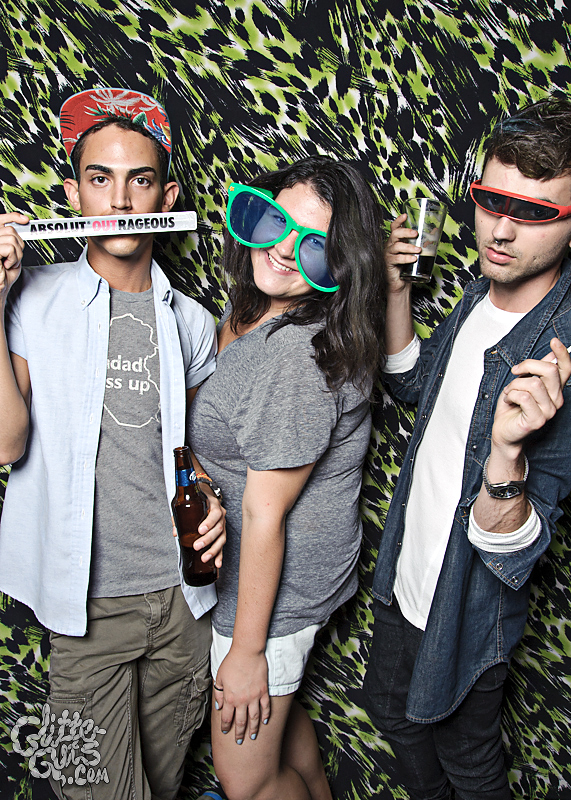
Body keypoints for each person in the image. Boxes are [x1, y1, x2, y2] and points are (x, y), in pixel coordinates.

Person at [0, 87, 226, 800]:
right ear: (73, 194)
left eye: (140, 180)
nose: (121, 199)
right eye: (100, 179)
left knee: (160, 786)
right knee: (83, 786)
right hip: (85, 616)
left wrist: (212, 499)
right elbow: (5, 443)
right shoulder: (29, 299)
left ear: (167, 195)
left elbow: (193, 454)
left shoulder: (193, 321)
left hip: (184, 607)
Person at [363, 96, 571, 800]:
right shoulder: (481, 294)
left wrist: (507, 454)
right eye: (491, 201)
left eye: (534, 212)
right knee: (392, 714)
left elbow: (517, 553)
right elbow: (414, 387)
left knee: (468, 757)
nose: (501, 231)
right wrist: (396, 291)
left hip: (465, 609)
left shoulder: (558, 354)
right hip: (407, 574)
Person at [187, 156, 386, 800]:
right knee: (278, 712)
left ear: (343, 265)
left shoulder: (296, 356)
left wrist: (248, 654)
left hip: (275, 591)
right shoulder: (261, 308)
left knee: (245, 779)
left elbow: (267, 513)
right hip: (279, 573)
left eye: (315, 245)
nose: (283, 249)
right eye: (278, 223)